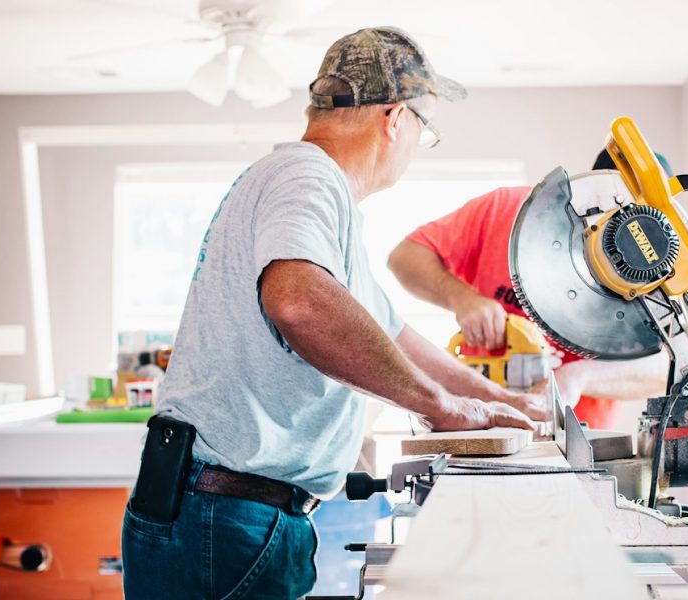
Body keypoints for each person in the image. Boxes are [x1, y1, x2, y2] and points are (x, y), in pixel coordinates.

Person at [121, 27, 547, 600]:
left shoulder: (310, 193)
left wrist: (497, 401)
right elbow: (298, 303)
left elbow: (394, 334)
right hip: (224, 515)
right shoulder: (308, 177)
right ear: (395, 118)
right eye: (424, 130)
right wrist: (438, 406)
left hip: (223, 509)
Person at [388, 150, 674, 430]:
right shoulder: (506, 209)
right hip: (477, 422)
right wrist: (461, 298)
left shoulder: (655, 273)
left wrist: (578, 376)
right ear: (589, 185)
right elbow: (405, 257)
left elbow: (669, 368)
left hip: (576, 439)